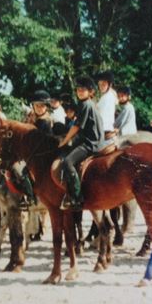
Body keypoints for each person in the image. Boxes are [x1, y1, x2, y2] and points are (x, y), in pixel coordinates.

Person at [58, 76, 104, 210]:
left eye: (83, 90)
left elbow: (77, 127)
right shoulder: (89, 103)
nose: (79, 92)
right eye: (78, 90)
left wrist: (65, 141)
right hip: (92, 139)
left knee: (67, 162)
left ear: (90, 92)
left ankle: (77, 197)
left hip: (91, 143)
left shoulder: (85, 104)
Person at [16, 90, 54, 209]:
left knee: (22, 171)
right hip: (35, 152)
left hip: (43, 154)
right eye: (36, 105)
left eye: (41, 105)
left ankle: (30, 197)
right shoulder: (37, 120)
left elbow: (37, 140)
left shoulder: (46, 121)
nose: (39, 108)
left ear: (46, 107)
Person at [95, 71, 117, 142]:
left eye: (103, 85)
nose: (101, 87)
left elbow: (100, 116)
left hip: (104, 129)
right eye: (99, 84)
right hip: (104, 127)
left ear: (109, 85)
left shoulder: (107, 98)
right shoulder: (107, 95)